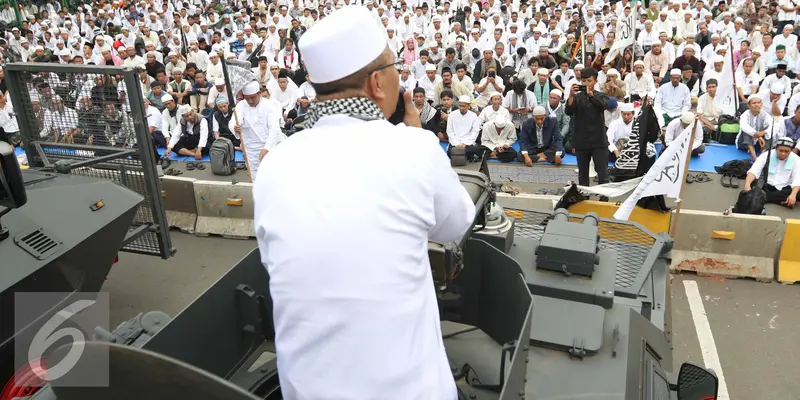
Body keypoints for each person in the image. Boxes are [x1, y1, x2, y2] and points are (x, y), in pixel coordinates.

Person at [253, 7, 474, 400]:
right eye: (393, 68)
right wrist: (419, 137)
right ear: (377, 83)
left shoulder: (275, 166)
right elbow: (457, 221)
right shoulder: (412, 149)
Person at [230, 80, 286, 181]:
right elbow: (235, 120)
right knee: (255, 175)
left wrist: (267, 148)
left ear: (259, 94)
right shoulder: (241, 105)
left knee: (273, 173)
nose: (250, 101)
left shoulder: (270, 105)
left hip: (270, 144)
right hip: (250, 147)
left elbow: (274, 129)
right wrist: (235, 127)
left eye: (252, 98)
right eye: (247, 98)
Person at [566, 68, 610, 185]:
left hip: (598, 140)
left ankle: (603, 198)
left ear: (595, 81)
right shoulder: (577, 97)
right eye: (583, 81)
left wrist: (591, 96)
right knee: (583, 174)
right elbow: (569, 111)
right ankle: (583, 196)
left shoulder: (601, 95)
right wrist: (570, 95)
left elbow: (603, 106)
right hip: (582, 140)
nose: (586, 83)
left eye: (589, 81)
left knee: (602, 172)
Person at [744, 137, 800, 208]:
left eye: (786, 151)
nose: (783, 154)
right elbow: (754, 171)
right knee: (754, 184)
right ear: (776, 149)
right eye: (781, 150)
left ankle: (762, 198)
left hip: (785, 188)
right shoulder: (766, 155)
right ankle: (776, 199)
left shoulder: (797, 160)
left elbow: (797, 179)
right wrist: (747, 185)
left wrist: (793, 195)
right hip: (767, 186)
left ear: (791, 151)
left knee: (797, 193)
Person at [738, 96, 774, 161]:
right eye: (754, 103)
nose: (757, 105)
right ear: (749, 106)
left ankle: (760, 158)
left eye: (758, 102)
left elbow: (773, 126)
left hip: (758, 144)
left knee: (769, 133)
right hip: (744, 143)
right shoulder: (745, 114)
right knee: (746, 132)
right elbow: (744, 126)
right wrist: (758, 136)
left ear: (762, 104)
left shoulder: (765, 115)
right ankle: (755, 158)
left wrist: (764, 132)